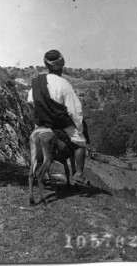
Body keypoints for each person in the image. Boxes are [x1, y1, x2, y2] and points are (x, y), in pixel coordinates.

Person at [27, 49, 89, 185]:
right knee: (80, 142)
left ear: (46, 65)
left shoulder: (36, 84)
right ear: (62, 65)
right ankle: (78, 174)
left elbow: (31, 103)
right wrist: (79, 128)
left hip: (42, 123)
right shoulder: (65, 85)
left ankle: (43, 172)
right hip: (61, 124)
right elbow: (75, 111)